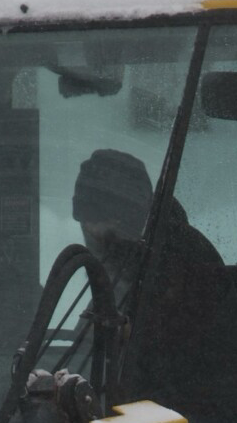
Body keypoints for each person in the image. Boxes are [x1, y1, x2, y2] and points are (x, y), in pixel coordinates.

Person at [70, 147, 223, 409]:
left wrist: (135, 336)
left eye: (103, 220)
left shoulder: (177, 264)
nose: (92, 231)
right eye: (86, 221)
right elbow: (86, 358)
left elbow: (187, 369)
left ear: (131, 216)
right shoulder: (125, 266)